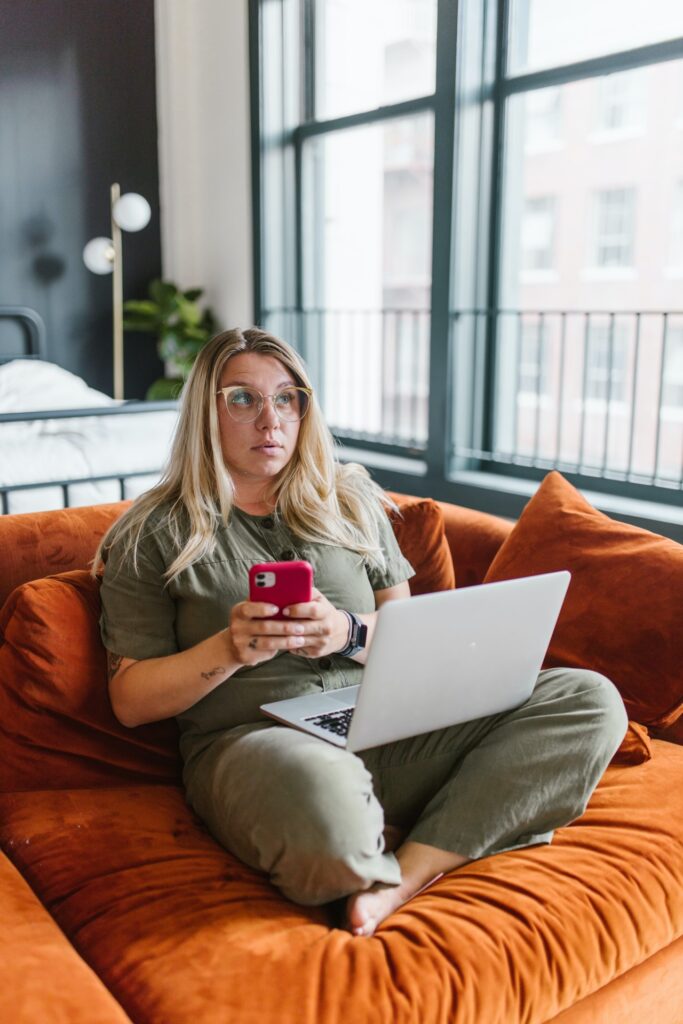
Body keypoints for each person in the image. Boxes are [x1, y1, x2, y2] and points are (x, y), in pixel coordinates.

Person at [96, 326, 628, 937]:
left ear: (304, 409)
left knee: (587, 698)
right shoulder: (152, 533)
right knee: (320, 802)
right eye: (241, 399)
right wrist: (229, 649)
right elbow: (131, 701)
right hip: (257, 743)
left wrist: (346, 632)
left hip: (387, 721)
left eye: (287, 397)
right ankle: (424, 822)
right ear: (204, 412)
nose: (269, 419)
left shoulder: (348, 500)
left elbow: (404, 634)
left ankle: (403, 873)